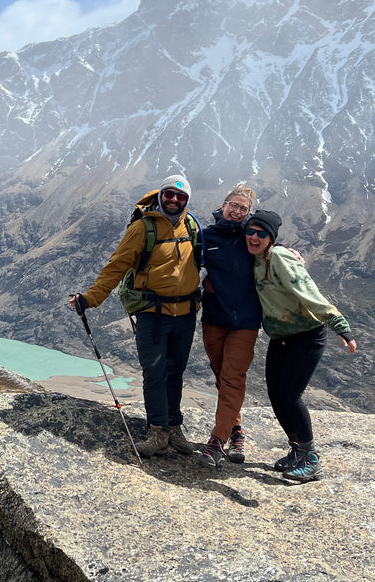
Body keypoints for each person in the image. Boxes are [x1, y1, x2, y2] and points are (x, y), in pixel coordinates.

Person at [69, 175, 202, 458]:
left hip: (186, 314)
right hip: (153, 314)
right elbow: (116, 266)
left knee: (175, 372)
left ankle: (174, 427)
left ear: (187, 201)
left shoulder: (191, 226)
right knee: (155, 372)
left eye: (181, 197)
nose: (174, 200)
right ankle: (158, 432)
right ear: (160, 195)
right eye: (169, 194)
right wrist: (90, 299)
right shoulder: (143, 228)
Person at [245, 209, 357, 483]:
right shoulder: (255, 257)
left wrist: (339, 324)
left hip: (307, 334)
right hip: (281, 336)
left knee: (290, 396)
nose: (254, 237)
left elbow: (309, 292)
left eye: (262, 233)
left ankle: (312, 460)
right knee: (275, 394)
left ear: (271, 237)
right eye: (250, 231)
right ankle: (297, 451)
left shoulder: (280, 258)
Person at [196, 184, 261, 469]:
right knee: (221, 375)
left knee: (233, 377)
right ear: (223, 206)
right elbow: (185, 266)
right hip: (214, 318)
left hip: (245, 322)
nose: (236, 211)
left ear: (249, 213)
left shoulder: (252, 238)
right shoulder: (206, 237)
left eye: (243, 208)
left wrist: (291, 253)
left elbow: (273, 250)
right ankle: (236, 431)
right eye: (233, 205)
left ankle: (216, 441)